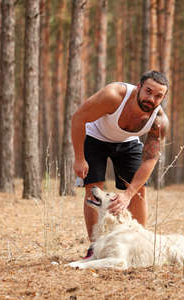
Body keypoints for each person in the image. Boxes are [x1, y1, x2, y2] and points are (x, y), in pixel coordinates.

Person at [71, 70, 169, 258]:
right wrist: (79, 158)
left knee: (139, 191)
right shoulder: (113, 96)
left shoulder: (159, 121)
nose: (151, 98)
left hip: (128, 141)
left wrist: (128, 194)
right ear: (138, 87)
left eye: (158, 96)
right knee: (94, 189)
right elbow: (78, 118)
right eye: (148, 91)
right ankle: (95, 246)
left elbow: (150, 158)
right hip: (95, 137)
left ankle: (139, 243)